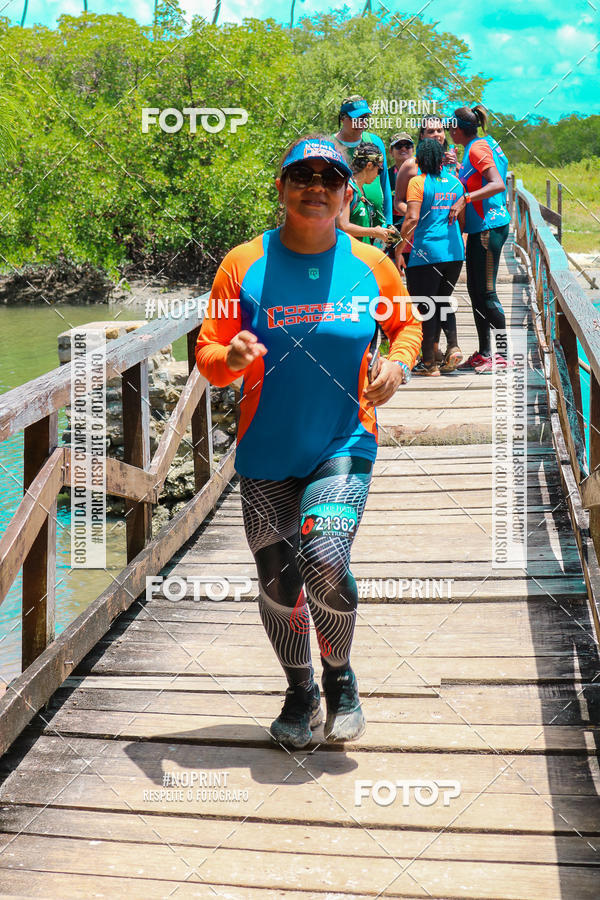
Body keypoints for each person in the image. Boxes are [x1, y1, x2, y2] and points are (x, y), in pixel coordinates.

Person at [195, 134, 422, 750]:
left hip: (344, 439)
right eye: (302, 177)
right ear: (282, 189)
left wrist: (397, 366)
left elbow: (406, 330)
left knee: (323, 557)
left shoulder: (372, 266)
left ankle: (340, 677)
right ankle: (300, 691)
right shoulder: (241, 265)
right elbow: (208, 354)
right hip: (266, 449)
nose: (315, 188)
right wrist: (231, 355)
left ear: (348, 192)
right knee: (277, 580)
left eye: (329, 179)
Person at [394, 116, 462, 371]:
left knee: (425, 304)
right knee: (443, 300)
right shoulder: (455, 182)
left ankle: (429, 362)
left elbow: (411, 217)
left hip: (426, 251)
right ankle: (452, 347)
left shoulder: (418, 181)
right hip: (454, 253)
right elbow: (459, 213)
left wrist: (398, 249)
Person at [448, 105, 512, 373]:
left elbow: (498, 183)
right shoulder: (483, 143)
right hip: (481, 227)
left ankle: (504, 355)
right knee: (475, 291)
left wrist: (466, 198)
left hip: (488, 228)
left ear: (458, 129)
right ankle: (486, 352)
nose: (449, 131)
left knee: (486, 292)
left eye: (450, 126)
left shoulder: (475, 148)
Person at [332, 95, 393, 227]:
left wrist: (388, 223)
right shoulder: (331, 145)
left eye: (365, 118)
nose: (362, 123)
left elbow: (384, 183)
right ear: (343, 118)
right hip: (345, 225)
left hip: (377, 226)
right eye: (357, 118)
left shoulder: (375, 142)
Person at [337, 142, 397, 247]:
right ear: (369, 165)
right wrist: (374, 231)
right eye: (379, 169)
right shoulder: (348, 189)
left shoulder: (360, 189)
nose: (379, 174)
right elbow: (342, 225)